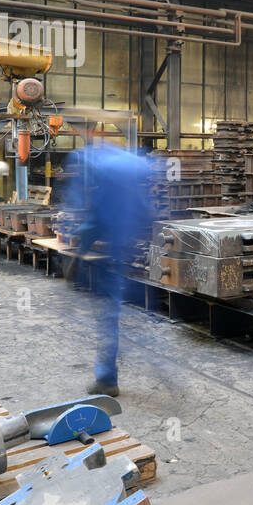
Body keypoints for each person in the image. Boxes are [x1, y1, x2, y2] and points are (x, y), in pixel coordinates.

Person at [67, 139, 152, 397]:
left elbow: (93, 223)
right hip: (130, 258)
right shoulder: (132, 185)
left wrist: (77, 254)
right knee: (137, 318)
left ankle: (106, 379)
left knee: (109, 320)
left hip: (110, 264)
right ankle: (165, 369)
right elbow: (148, 214)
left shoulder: (106, 186)